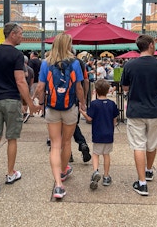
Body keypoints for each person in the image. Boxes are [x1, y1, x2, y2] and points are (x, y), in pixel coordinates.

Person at [0, 22, 39, 194]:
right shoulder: (17, 55)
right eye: (21, 34)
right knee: (12, 138)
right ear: (12, 34)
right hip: (12, 100)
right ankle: (10, 173)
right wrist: (29, 103)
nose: (22, 37)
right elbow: (20, 81)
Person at [33, 33, 86, 199]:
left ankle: (58, 185)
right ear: (68, 45)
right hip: (70, 107)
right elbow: (78, 87)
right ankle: (64, 170)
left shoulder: (46, 63)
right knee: (66, 142)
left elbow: (41, 87)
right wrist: (83, 104)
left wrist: (40, 102)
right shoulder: (75, 63)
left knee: (55, 145)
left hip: (52, 107)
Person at [121, 34, 157, 196]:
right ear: (150, 45)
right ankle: (148, 171)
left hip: (135, 110)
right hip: (154, 110)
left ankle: (141, 183)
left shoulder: (129, 65)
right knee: (152, 144)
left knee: (138, 145)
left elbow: (125, 88)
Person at [79, 79, 119, 190]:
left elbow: (90, 118)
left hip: (97, 133)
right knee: (106, 155)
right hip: (108, 134)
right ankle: (106, 176)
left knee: (96, 153)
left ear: (96, 90)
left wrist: (82, 112)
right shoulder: (111, 104)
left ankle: (96, 171)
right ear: (108, 91)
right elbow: (114, 119)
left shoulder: (94, 104)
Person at [22, 55, 34, 123]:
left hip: (20, 87)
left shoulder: (20, 68)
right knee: (25, 103)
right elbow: (32, 79)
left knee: (19, 101)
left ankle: (23, 114)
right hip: (27, 87)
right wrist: (29, 86)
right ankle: (25, 114)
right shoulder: (30, 69)